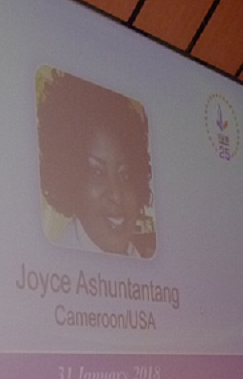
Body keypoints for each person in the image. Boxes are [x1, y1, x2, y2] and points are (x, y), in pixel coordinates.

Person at [36, 66, 155, 258]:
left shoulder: (136, 256)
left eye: (125, 175)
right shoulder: (57, 262)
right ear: (70, 180)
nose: (116, 195)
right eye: (98, 172)